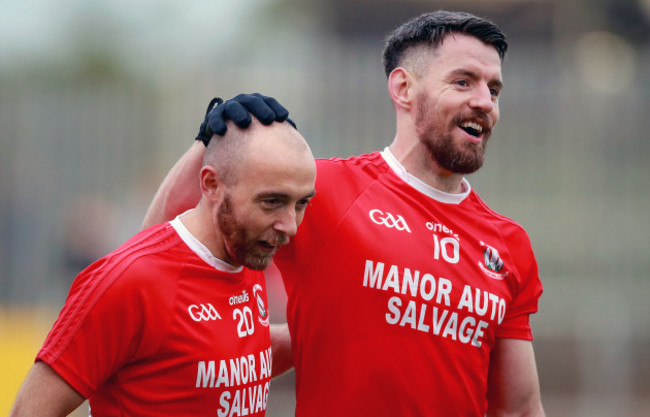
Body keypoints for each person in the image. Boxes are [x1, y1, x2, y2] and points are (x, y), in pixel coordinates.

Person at [141, 10, 545, 417]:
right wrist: (208, 141)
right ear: (404, 88)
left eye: (493, 90)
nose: (484, 102)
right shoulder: (325, 189)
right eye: (463, 82)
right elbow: (156, 248)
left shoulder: (508, 243)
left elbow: (520, 409)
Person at [10, 118, 317, 416]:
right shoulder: (132, 280)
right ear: (211, 185)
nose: (289, 225)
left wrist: (342, 329)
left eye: (301, 203)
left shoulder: (247, 252)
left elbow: (236, 359)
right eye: (271, 202)